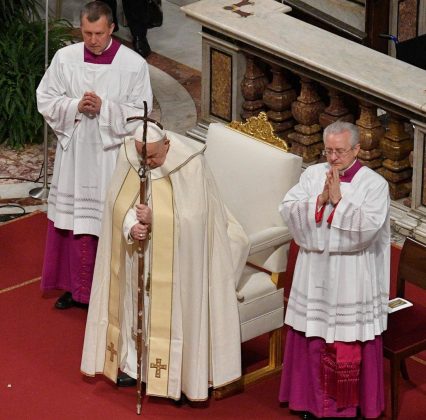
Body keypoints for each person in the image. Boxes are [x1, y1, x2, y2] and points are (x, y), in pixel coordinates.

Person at [80, 122, 249, 401]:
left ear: (167, 145)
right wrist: (131, 226)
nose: (146, 163)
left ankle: (177, 379)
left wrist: (156, 218)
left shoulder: (190, 164)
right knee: (136, 308)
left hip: (179, 263)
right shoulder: (131, 156)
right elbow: (116, 203)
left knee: (172, 314)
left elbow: (197, 220)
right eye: (142, 157)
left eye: (153, 157)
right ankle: (136, 367)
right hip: (139, 255)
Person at [36, 1, 153, 310]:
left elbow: (143, 111)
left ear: (112, 28)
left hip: (108, 155)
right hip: (74, 153)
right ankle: (75, 289)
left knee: (106, 220)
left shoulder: (133, 64)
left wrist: (106, 109)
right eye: (87, 33)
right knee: (73, 221)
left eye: (99, 33)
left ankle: (107, 291)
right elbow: (46, 97)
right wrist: (75, 106)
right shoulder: (65, 58)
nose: (92, 40)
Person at [278, 121, 390, 418]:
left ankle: (346, 407)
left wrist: (339, 201)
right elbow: (288, 208)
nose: (332, 157)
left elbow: (368, 229)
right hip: (315, 271)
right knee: (312, 334)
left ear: (356, 149)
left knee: (345, 340)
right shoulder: (314, 174)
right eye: (328, 150)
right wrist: (318, 200)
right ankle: (309, 402)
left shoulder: (375, 185)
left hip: (350, 275)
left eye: (339, 151)